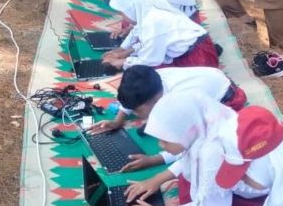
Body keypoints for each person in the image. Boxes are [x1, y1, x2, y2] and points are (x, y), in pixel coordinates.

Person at [118, 92, 268, 206]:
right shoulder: (203, 124)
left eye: (165, 139)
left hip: (258, 193)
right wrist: (157, 179)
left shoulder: (212, 152)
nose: (160, 145)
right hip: (230, 175)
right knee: (187, 183)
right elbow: (189, 154)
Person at [86, 65, 248, 171]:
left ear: (155, 101)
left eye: (138, 111)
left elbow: (188, 145)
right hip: (211, 79)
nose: (137, 116)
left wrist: (153, 160)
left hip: (227, 99)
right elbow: (132, 98)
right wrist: (117, 121)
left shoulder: (182, 104)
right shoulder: (150, 82)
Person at [101, 0, 218, 70]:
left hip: (198, 59)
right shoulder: (147, 10)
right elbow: (139, 33)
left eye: (122, 12)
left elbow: (149, 60)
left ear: (132, 6)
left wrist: (121, 61)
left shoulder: (153, 20)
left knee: (150, 75)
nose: (122, 16)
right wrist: (122, 50)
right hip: (196, 51)